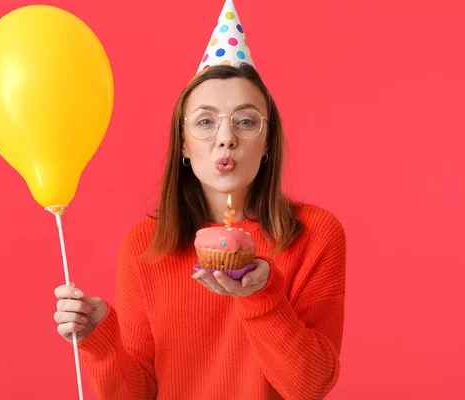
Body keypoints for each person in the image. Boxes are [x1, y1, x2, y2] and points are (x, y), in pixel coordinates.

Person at [54, 1, 346, 399]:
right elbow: (138, 393)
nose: (226, 138)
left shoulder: (315, 235)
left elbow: (310, 385)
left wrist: (259, 295)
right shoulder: (144, 247)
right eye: (206, 121)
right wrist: (98, 339)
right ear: (184, 145)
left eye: (245, 121)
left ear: (267, 143)